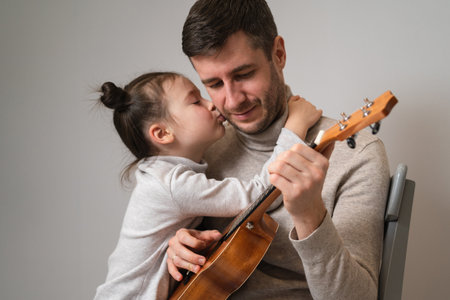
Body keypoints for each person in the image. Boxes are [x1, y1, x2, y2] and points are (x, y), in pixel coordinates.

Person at [166, 0, 391, 299]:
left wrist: (311, 216)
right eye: (214, 84)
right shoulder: (203, 150)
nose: (232, 101)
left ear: (278, 54)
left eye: (243, 74)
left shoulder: (357, 154)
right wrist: (177, 248)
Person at [93, 71, 322, 299]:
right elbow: (259, 194)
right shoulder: (172, 184)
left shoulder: (164, 175)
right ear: (162, 134)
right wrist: (295, 128)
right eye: (196, 101)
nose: (212, 104)